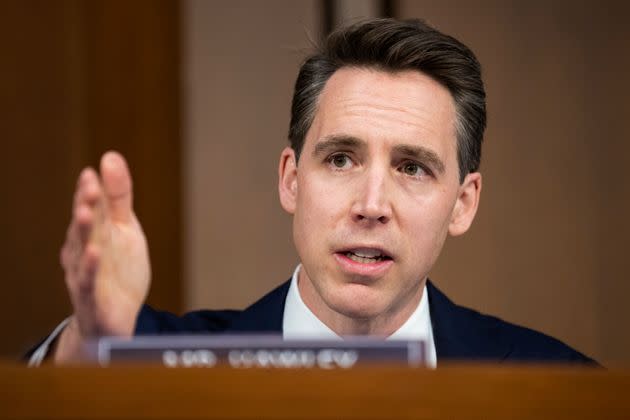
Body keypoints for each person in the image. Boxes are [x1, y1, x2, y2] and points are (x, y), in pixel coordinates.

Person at [29, 18, 595, 366]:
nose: (371, 205)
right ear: (291, 179)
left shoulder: (560, 385)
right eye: (341, 159)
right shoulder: (149, 355)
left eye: (413, 168)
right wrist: (93, 342)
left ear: (463, 202)